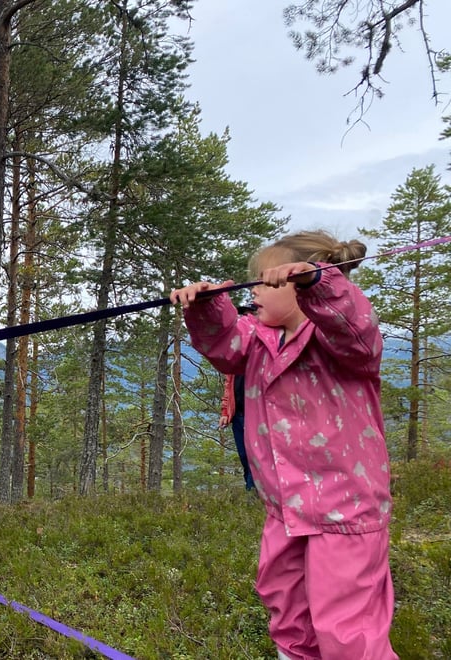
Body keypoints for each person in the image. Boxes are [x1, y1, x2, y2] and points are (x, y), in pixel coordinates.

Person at [170, 230, 396, 659]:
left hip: (344, 510)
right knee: (287, 610)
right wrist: (205, 307)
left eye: (261, 282)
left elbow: (354, 325)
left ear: (298, 287)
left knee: (347, 628)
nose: (252, 290)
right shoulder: (256, 339)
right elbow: (223, 345)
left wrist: (320, 283)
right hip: (284, 508)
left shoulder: (344, 340)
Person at [217, 305, 255, 491]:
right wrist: (226, 411)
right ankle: (252, 495)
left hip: (258, 415)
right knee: (244, 456)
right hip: (238, 414)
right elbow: (228, 385)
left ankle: (256, 497)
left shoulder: (262, 349)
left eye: (248, 315)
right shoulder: (237, 355)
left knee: (258, 456)